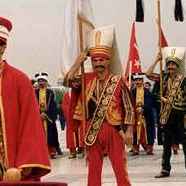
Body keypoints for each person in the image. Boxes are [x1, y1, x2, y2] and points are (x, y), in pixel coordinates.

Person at [64, 25, 135, 186]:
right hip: (92, 127)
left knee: (120, 167)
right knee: (93, 169)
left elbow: (129, 107)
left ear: (108, 60)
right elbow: (67, 82)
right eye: (95, 60)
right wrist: (78, 62)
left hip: (114, 129)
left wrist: (129, 130)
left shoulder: (118, 80)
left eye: (101, 60)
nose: (98, 63)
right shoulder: (86, 79)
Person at [0, 15, 50, 181]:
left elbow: (30, 123)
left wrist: (25, 162)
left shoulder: (19, 80)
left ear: (3, 47)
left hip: (5, 155)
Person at [146, 47, 186, 178]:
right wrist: (156, 59)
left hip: (181, 114)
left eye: (173, 64)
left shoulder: (183, 79)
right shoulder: (162, 77)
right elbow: (148, 74)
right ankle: (165, 169)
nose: (170, 66)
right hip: (167, 114)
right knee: (166, 143)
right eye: (168, 64)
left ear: (177, 66)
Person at [35, 72, 62, 158]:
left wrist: (46, 114)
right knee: (39, 136)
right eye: (39, 81)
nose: (41, 82)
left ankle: (52, 151)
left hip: (48, 117)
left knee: (51, 135)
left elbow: (52, 105)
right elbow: (33, 104)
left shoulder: (50, 92)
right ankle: (41, 152)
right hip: (38, 118)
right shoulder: (35, 92)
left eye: (42, 80)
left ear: (46, 82)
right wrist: (39, 113)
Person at [131, 72, 155, 155]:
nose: (137, 82)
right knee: (135, 132)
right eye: (136, 80)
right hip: (135, 115)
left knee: (148, 131)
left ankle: (149, 148)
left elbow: (150, 102)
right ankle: (135, 148)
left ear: (142, 81)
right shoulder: (132, 92)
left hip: (146, 115)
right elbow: (130, 103)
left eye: (139, 80)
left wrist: (143, 108)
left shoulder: (147, 91)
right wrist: (135, 109)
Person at [61, 88, 84, 158]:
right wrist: (71, 113)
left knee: (82, 133)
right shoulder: (66, 95)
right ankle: (72, 151)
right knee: (71, 135)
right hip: (70, 119)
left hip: (80, 118)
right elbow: (64, 106)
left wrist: (78, 113)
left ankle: (83, 150)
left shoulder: (81, 94)